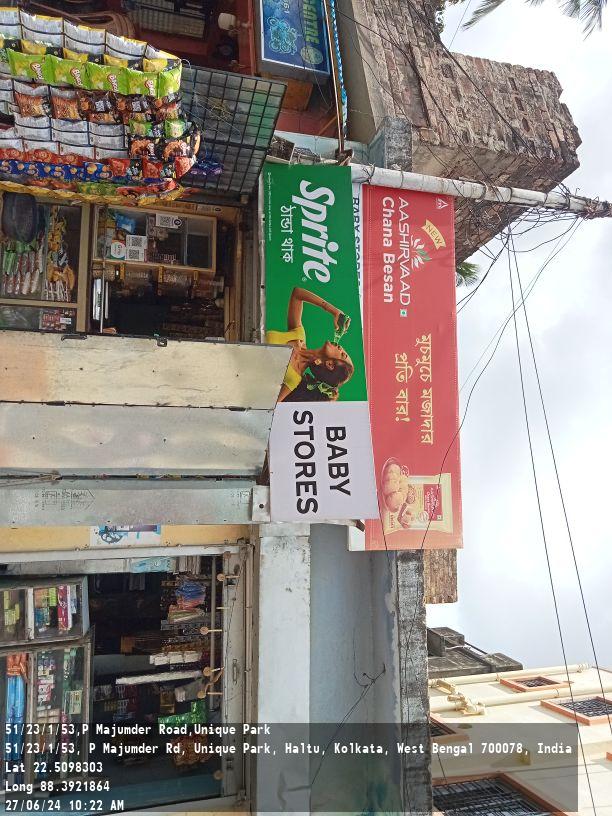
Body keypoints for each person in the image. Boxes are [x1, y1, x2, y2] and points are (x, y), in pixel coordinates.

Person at [266, 286, 354, 402]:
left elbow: (269, 406)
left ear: (330, 364)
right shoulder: (299, 336)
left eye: (342, 354)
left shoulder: (293, 379)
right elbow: (297, 294)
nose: (341, 347)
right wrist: (334, 311)